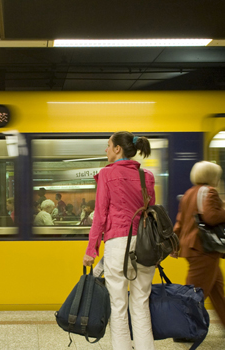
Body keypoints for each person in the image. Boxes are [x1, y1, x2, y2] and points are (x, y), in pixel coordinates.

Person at [83, 131, 156, 350]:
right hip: (145, 244)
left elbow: (101, 215)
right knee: (141, 302)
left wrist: (91, 250)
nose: (105, 150)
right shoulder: (147, 176)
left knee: (118, 304)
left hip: (118, 244)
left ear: (118, 149)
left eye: (108, 145)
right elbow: (150, 212)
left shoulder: (107, 175)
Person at [173, 161, 225, 339]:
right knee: (195, 293)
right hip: (203, 249)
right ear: (213, 177)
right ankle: (183, 330)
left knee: (216, 287)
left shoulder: (189, 193)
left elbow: (180, 222)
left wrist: (175, 244)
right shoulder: (210, 192)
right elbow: (211, 217)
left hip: (193, 247)